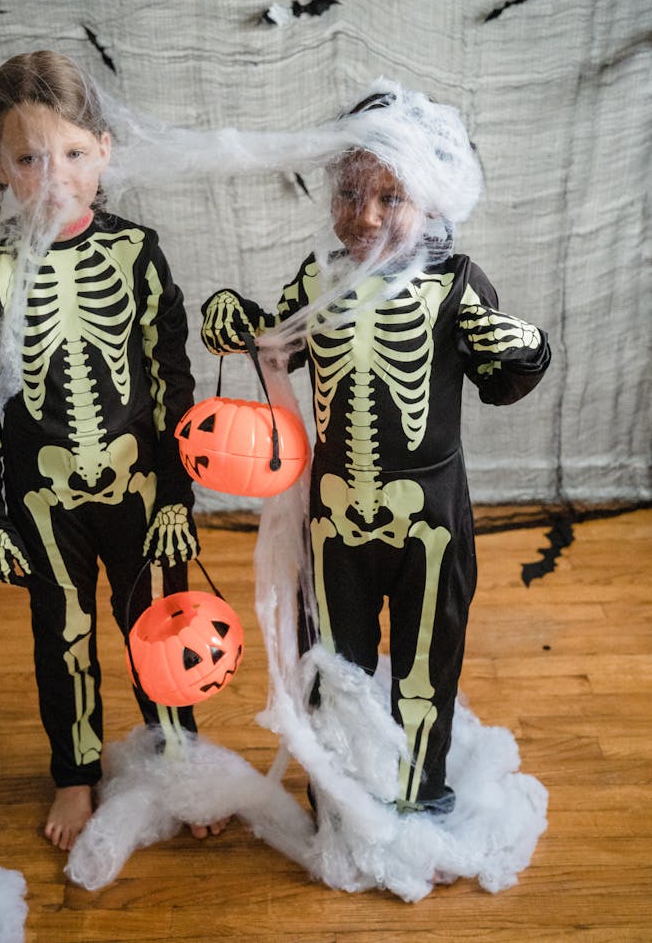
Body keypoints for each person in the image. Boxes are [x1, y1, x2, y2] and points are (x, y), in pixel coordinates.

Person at [200, 80, 551, 816]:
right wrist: (237, 321)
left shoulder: (457, 286)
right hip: (333, 518)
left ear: (432, 202)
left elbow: (500, 377)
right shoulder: (318, 281)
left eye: (390, 197)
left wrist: (527, 349)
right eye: (351, 193)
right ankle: (343, 794)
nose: (365, 216)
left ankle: (421, 795)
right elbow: (276, 344)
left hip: (429, 518)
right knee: (337, 663)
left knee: (427, 666)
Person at [0, 50, 227, 849]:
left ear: (104, 150)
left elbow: (173, 382)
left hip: (139, 486)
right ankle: (75, 770)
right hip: (43, 496)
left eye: (73, 153)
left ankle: (178, 753)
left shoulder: (137, 254)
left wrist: (177, 495)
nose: (55, 175)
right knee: (60, 631)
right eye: (30, 158)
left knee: (158, 625)